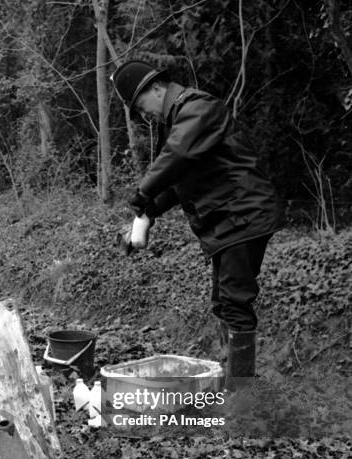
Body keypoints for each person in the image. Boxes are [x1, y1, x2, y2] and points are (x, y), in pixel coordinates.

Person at [111, 60, 286, 387]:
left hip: (242, 213)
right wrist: (148, 212)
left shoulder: (199, 108)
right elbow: (180, 182)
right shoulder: (178, 119)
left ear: (157, 88)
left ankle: (242, 397)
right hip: (226, 221)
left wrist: (141, 193)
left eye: (140, 106)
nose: (143, 115)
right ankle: (233, 379)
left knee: (234, 301)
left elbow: (177, 155)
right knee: (223, 302)